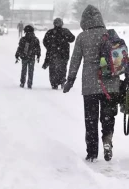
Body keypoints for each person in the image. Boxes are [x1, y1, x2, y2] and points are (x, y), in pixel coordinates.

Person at [63, 5, 119, 162]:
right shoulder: (109, 35)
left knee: (91, 119)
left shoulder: (82, 37)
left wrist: (70, 80)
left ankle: (92, 152)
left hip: (90, 86)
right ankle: (107, 141)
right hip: (111, 85)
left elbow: (75, 60)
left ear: (84, 20)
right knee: (108, 117)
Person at [43, 18, 75, 90]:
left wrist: (50, 47)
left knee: (53, 69)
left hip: (52, 54)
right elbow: (72, 39)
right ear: (62, 23)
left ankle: (54, 83)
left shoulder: (50, 32)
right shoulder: (65, 31)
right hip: (64, 54)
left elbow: (45, 42)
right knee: (62, 69)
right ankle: (62, 81)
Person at [15, 25, 41, 89]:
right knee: (31, 71)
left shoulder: (23, 39)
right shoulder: (35, 39)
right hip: (32, 57)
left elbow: (20, 48)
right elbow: (38, 48)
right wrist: (38, 55)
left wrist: (17, 55)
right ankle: (29, 83)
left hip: (24, 57)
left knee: (24, 70)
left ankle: (22, 82)